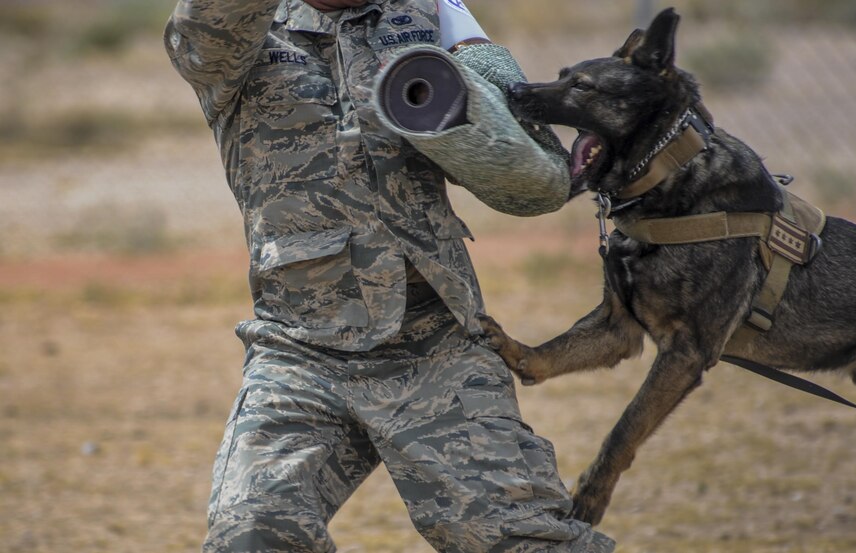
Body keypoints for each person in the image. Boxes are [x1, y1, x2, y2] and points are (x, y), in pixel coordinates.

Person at [164, 1, 615, 551]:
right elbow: (205, 31)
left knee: (521, 540)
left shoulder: (431, 14)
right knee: (252, 533)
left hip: (438, 344)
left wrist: (474, 86)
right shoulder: (239, 28)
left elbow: (536, 177)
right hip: (300, 351)